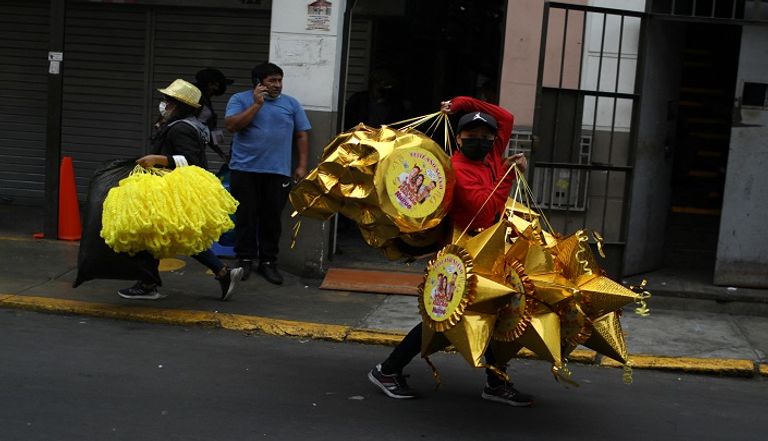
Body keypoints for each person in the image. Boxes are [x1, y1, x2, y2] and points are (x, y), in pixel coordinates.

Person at [367, 96, 531, 406]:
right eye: (471, 137)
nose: (480, 142)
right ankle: (387, 370)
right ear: (458, 139)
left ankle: (496, 382)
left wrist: (460, 103)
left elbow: (506, 117)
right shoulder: (456, 170)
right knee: (442, 318)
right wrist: (511, 174)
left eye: (486, 137)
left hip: (488, 251)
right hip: (463, 254)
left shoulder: (493, 155)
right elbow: (484, 211)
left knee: (493, 312)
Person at [118, 79, 244, 301]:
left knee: (151, 234)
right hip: (173, 188)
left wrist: (159, 158)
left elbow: (191, 160)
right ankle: (222, 272)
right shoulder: (181, 124)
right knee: (174, 235)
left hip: (172, 190)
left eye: (167, 100)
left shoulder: (181, 129)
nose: (163, 103)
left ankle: (148, 284)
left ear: (178, 104)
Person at [224, 62, 311, 285]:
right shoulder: (239, 100)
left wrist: (301, 165)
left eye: (279, 80)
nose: (277, 85)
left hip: (278, 171)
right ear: (258, 83)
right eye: (272, 80)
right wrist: (256, 105)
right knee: (246, 217)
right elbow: (232, 126)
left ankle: (268, 262)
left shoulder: (291, 104)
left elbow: (301, 135)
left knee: (271, 219)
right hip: (244, 170)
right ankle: (244, 259)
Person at [194, 68, 234, 156]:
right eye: (218, 84)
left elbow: (209, 128)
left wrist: (221, 153)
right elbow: (207, 126)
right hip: (189, 148)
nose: (220, 88)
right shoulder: (196, 98)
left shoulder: (204, 99)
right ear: (210, 84)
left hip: (196, 148)